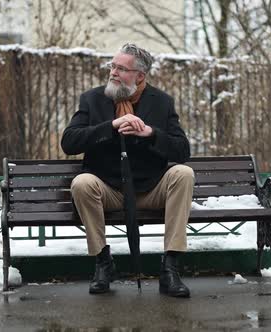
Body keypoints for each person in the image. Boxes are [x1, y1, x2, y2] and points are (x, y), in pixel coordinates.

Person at [61, 43, 194, 297]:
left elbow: (182, 151)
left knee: (183, 174)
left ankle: (170, 268)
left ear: (140, 76)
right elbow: (69, 142)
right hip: (108, 189)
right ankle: (103, 262)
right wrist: (111, 126)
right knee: (81, 183)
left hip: (150, 189)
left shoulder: (162, 102)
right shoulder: (92, 99)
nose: (113, 72)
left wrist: (151, 133)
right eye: (112, 66)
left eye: (121, 68)